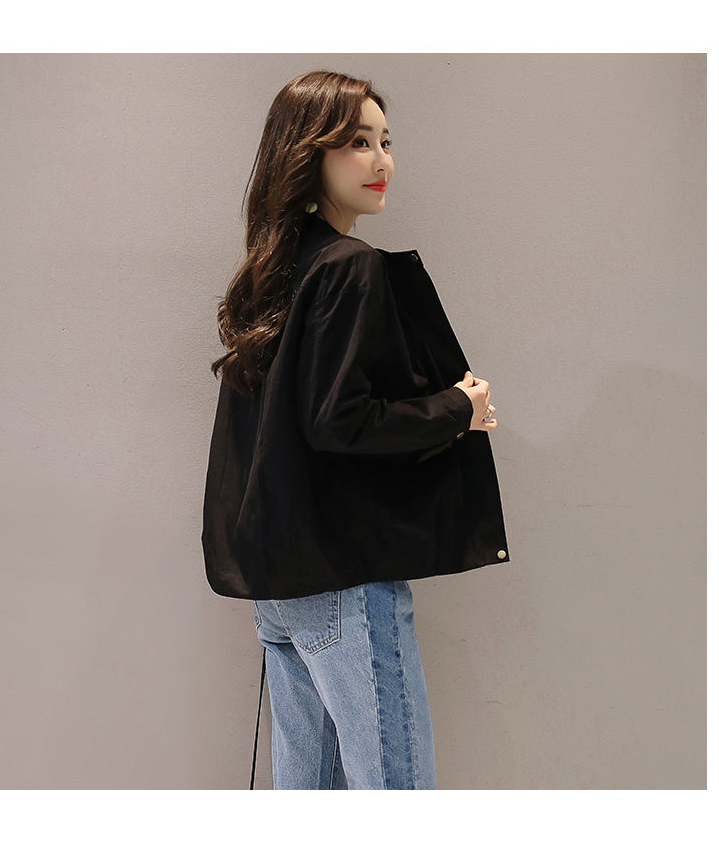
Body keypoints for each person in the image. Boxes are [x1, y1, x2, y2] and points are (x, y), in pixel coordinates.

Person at [201, 70, 509, 790]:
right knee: (394, 791)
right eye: (357, 143)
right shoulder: (348, 267)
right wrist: (458, 408)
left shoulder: (277, 270)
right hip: (342, 579)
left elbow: (291, 424)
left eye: (386, 142)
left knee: (309, 794)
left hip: (280, 583)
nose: (381, 162)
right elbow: (339, 419)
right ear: (308, 154)